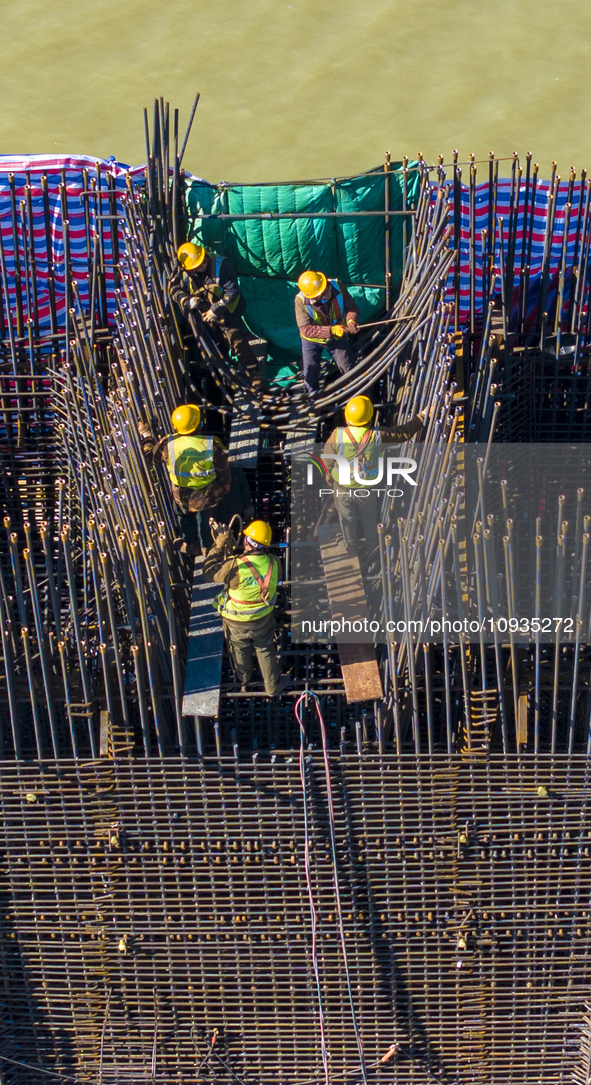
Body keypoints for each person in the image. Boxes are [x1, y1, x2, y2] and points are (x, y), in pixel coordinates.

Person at [322, 395, 428, 558]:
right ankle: (373, 547)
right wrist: (421, 417)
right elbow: (403, 433)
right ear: (369, 418)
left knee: (347, 520)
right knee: (369, 518)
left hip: (343, 489)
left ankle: (351, 548)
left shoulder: (338, 435)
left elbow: (327, 460)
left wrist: (330, 480)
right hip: (367, 489)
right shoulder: (378, 436)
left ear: (347, 418)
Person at [203, 519, 290, 697]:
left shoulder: (234, 565)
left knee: (239, 647)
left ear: (246, 541)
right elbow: (276, 578)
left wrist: (219, 545)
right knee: (265, 649)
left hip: (236, 620)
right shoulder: (274, 562)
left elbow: (209, 573)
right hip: (263, 617)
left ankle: (244, 679)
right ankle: (272, 686)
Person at [138, 403, 231, 556]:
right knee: (205, 520)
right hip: (207, 495)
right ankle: (206, 547)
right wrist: (226, 486)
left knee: (183, 516)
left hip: (181, 495)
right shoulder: (211, 443)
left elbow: (150, 458)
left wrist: (146, 435)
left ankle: (190, 543)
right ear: (199, 424)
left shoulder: (168, 444)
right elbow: (223, 470)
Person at [169, 242, 262, 385]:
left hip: (228, 311)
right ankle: (222, 370)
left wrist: (215, 310)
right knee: (213, 341)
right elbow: (173, 288)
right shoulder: (184, 271)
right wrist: (186, 300)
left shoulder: (222, 264)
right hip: (205, 314)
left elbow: (232, 292)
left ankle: (253, 372)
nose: (203, 266)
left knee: (237, 341)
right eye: (198, 266)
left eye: (203, 262)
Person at [295, 270, 359, 393]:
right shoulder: (301, 301)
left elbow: (351, 306)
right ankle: (312, 400)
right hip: (312, 341)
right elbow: (306, 329)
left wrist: (351, 321)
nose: (326, 293)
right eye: (322, 293)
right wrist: (331, 330)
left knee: (349, 369)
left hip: (336, 338)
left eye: (326, 289)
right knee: (310, 373)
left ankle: (354, 395)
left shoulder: (338, 286)